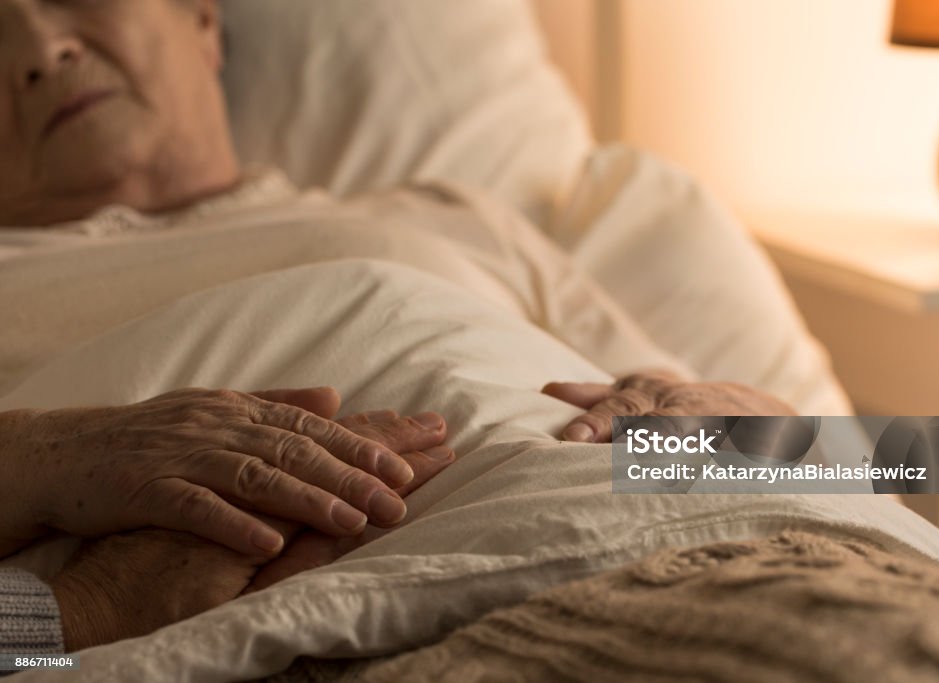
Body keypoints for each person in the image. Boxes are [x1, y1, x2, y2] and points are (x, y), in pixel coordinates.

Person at [0, 0, 795, 654]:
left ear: (202, 20)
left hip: (709, 563)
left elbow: (905, 463)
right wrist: (81, 611)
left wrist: (774, 440)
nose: (38, 51)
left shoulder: (458, 219)